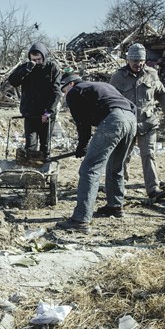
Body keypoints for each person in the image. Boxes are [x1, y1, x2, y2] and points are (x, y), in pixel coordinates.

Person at [56, 73, 137, 232]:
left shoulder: (75, 91)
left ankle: (81, 219)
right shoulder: (100, 86)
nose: (64, 94)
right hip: (131, 119)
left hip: (114, 119)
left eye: (63, 90)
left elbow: (82, 122)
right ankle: (115, 206)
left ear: (70, 84)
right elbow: (132, 106)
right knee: (115, 166)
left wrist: (82, 144)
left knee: (89, 169)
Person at [110, 43, 165, 201]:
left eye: (140, 61)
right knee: (123, 157)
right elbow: (109, 100)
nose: (137, 64)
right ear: (127, 60)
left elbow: (163, 96)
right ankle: (121, 186)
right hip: (127, 125)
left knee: (148, 154)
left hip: (148, 123)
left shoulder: (152, 74)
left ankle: (153, 189)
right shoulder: (117, 77)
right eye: (134, 61)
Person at [8, 42, 61, 161]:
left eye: (39, 59)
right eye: (34, 59)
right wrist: (25, 70)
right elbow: (12, 81)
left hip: (46, 113)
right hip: (31, 113)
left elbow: (56, 92)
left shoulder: (52, 68)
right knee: (30, 145)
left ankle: (43, 168)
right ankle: (30, 170)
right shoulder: (26, 67)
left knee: (45, 145)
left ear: (44, 57)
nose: (36, 62)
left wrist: (48, 111)